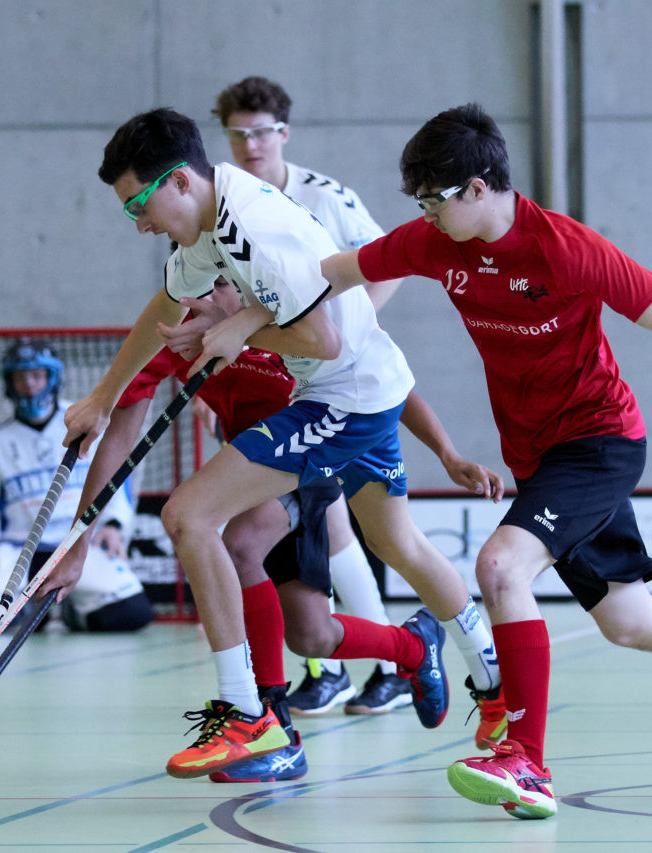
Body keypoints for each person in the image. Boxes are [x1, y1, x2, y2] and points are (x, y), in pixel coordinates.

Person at [320, 102, 652, 820]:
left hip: (598, 441)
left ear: (476, 189)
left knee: (500, 566)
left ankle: (524, 758)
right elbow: (335, 272)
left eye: (432, 198)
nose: (423, 213)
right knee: (630, 620)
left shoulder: (563, 248)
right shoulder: (436, 246)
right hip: (538, 457)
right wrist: (245, 316)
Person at [48, 107, 503, 782]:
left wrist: (232, 335)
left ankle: (249, 714)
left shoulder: (251, 227)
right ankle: (494, 687)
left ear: (177, 183)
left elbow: (324, 341)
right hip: (364, 391)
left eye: (138, 205)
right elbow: (163, 307)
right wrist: (102, 397)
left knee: (189, 515)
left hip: (340, 397)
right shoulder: (212, 218)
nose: (139, 223)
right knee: (399, 545)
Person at [212, 75, 424, 718]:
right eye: (238, 133)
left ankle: (385, 661)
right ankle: (339, 666)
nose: (251, 144)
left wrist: (355, 328)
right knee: (323, 527)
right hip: (275, 385)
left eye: (262, 131)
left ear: (284, 132)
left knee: (338, 525)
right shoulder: (225, 205)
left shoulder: (323, 196)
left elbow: (387, 260)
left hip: (338, 379)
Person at [0, 339, 151, 635]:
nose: (29, 384)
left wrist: (114, 525)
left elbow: (115, 482)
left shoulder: (86, 420)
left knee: (132, 612)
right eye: (20, 377)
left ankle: (74, 611)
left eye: (37, 375)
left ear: (53, 378)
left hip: (78, 546)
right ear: (9, 382)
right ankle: (27, 610)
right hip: (18, 551)